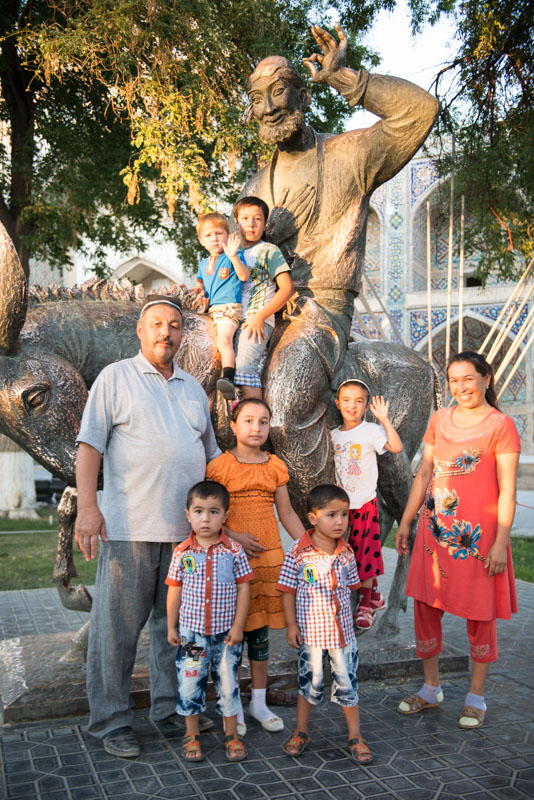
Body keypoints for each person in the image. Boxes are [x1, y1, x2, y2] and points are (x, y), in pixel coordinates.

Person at [239, 24, 439, 514]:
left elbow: (420, 111)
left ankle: (333, 528)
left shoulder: (350, 154)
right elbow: (235, 260)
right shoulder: (256, 183)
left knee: (282, 407)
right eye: (258, 97)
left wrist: (350, 79)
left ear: (303, 92)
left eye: (279, 90)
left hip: (321, 308)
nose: (268, 107)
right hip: (263, 309)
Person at [75, 294, 221, 759]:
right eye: (156, 323)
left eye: (175, 325)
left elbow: (213, 457)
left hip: (186, 536)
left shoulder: (193, 388)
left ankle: (170, 709)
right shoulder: (114, 378)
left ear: (183, 334)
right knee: (116, 631)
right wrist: (87, 509)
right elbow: (89, 447)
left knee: (173, 629)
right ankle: (111, 720)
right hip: (129, 528)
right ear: (140, 331)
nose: (166, 332)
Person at [395, 352, 520, 729]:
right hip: (434, 534)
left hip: (479, 540)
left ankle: (475, 697)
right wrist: (405, 522)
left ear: (486, 379)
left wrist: (500, 542)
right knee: (426, 608)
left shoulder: (502, 425)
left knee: (480, 615)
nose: (461, 387)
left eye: (469, 379)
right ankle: (430, 688)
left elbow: (508, 490)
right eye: (454, 380)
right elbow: (423, 475)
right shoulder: (439, 419)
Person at [206, 397, 306, 733]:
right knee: (232, 635)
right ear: (233, 427)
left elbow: (287, 512)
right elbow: (211, 513)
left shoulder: (275, 465)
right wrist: (233, 535)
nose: (256, 428)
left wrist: (308, 544)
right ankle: (230, 703)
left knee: (260, 635)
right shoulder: (219, 466)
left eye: (263, 421)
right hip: (231, 561)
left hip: (269, 558)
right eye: (248, 421)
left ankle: (259, 703)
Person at [277, 484, 372, 764]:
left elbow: (352, 589)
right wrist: (291, 626)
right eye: (332, 515)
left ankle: (355, 736)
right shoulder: (298, 552)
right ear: (313, 517)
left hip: (343, 637)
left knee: (347, 684)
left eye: (344, 514)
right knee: (310, 682)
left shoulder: (346, 553)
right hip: (311, 635)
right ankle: (301, 731)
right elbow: (287, 590)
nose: (340, 521)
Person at [166, 480, 254, 762]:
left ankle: (231, 734)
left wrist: (239, 626)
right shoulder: (182, 552)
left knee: (228, 683)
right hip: (192, 637)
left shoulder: (234, 551)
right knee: (191, 681)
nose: (206, 518)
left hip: (227, 636)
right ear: (188, 514)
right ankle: (191, 734)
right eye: (199, 511)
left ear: (225, 516)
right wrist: (171, 626)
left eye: (214, 511)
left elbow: (244, 587)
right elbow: (174, 589)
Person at [332, 380, 403, 630]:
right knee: (347, 555)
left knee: (366, 554)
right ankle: (374, 596)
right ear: (337, 403)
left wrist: (383, 419)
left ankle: (365, 604)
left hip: (363, 502)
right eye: (347, 400)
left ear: (365, 406)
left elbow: (396, 447)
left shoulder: (371, 431)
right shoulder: (333, 436)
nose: (352, 406)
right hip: (340, 508)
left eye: (359, 401)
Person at [232, 196, 294, 399]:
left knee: (244, 368)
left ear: (265, 224)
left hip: (257, 319)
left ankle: (256, 419)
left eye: (257, 219)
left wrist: (260, 316)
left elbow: (286, 289)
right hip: (231, 318)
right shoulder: (230, 252)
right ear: (236, 221)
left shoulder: (268, 251)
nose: (251, 224)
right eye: (245, 218)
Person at [196, 212, 250, 399]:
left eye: (219, 233)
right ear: (201, 240)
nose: (215, 239)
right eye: (208, 235)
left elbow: (243, 276)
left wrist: (234, 256)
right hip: (211, 311)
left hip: (228, 309)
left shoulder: (232, 255)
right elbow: (200, 283)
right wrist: (199, 292)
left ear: (227, 235)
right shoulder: (204, 263)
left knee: (224, 340)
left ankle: (228, 378)